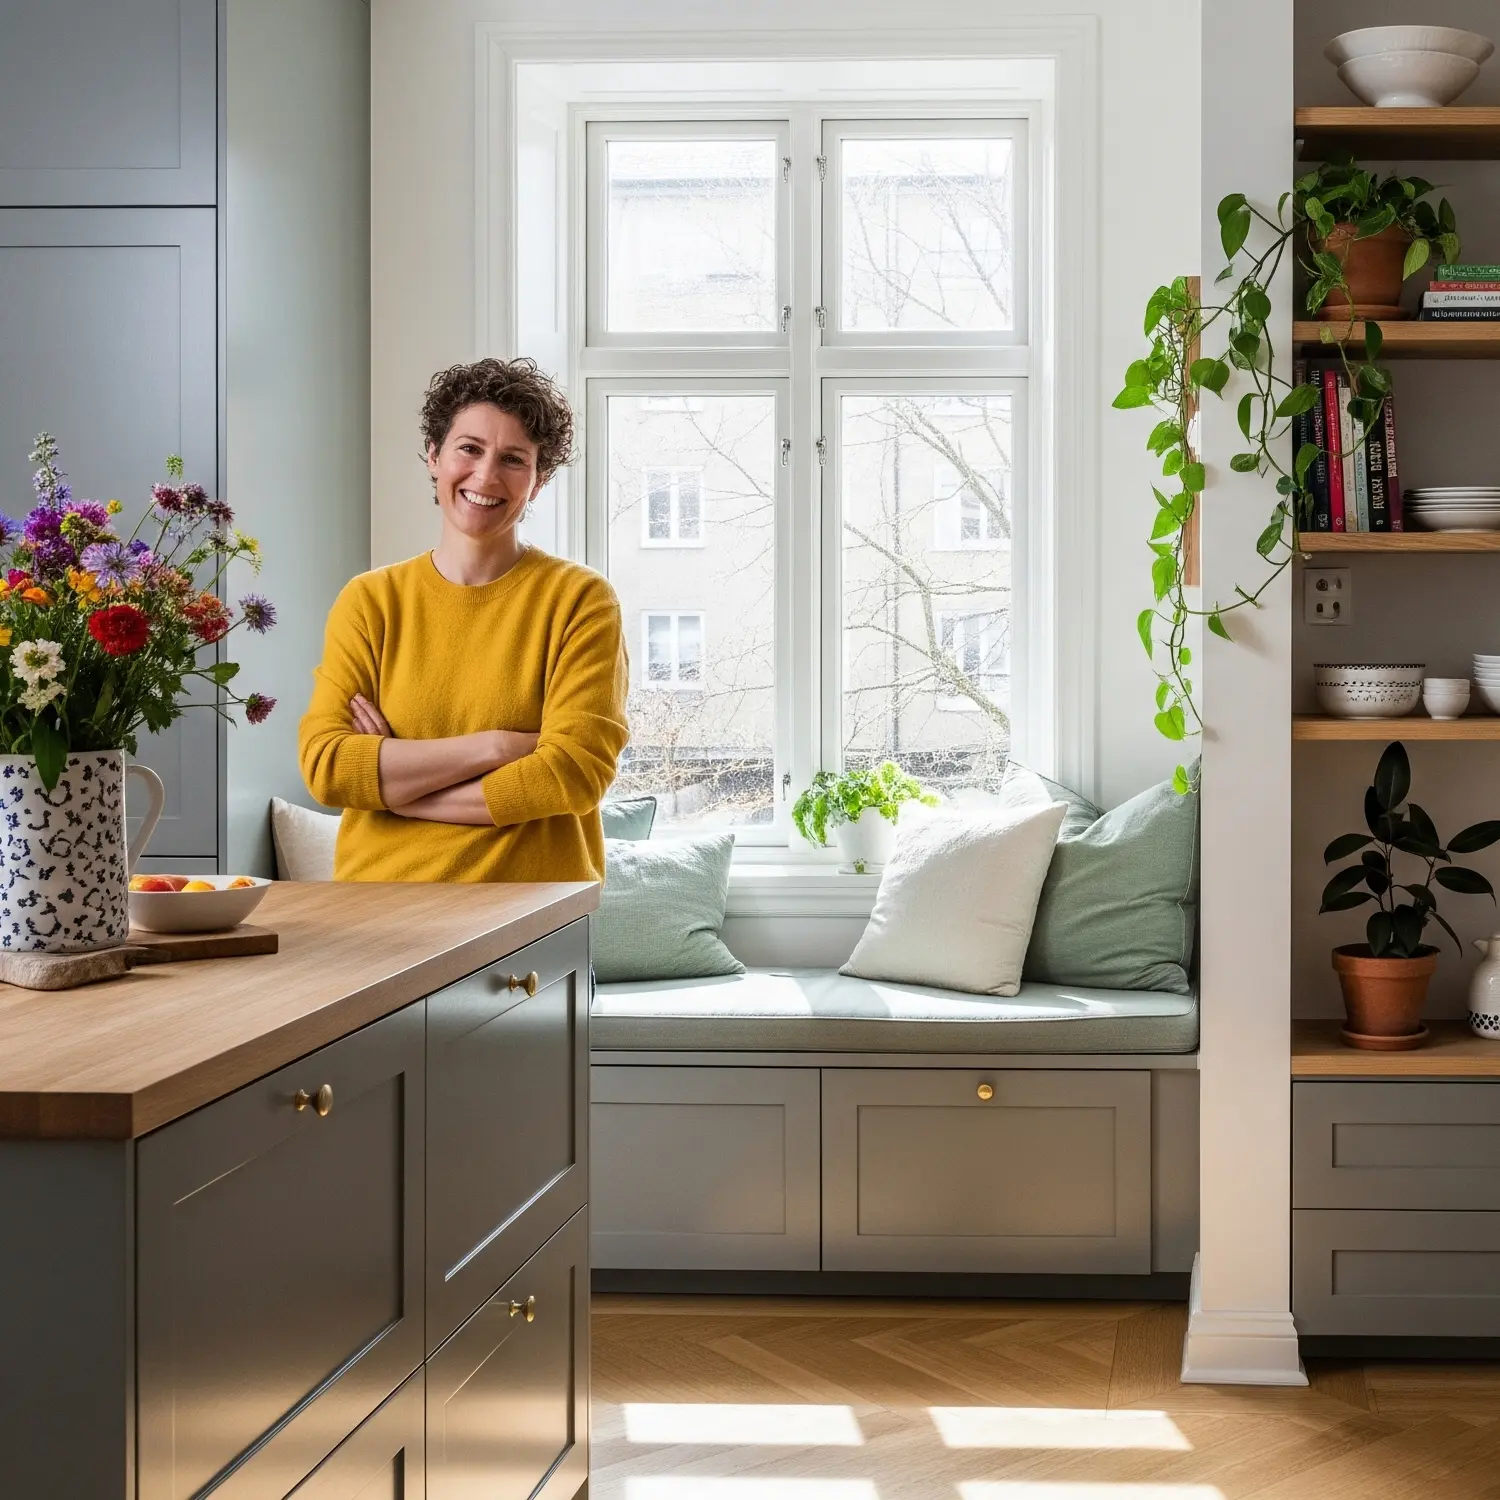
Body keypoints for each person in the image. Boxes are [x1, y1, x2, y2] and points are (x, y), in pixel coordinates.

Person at [299, 357, 628, 883]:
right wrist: (497, 746)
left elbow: (571, 774)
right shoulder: (370, 602)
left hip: (529, 918)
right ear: (434, 456)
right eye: (469, 448)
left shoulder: (579, 601)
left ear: (538, 481)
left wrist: (400, 788)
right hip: (377, 912)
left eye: (513, 459)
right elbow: (328, 765)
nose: (486, 475)